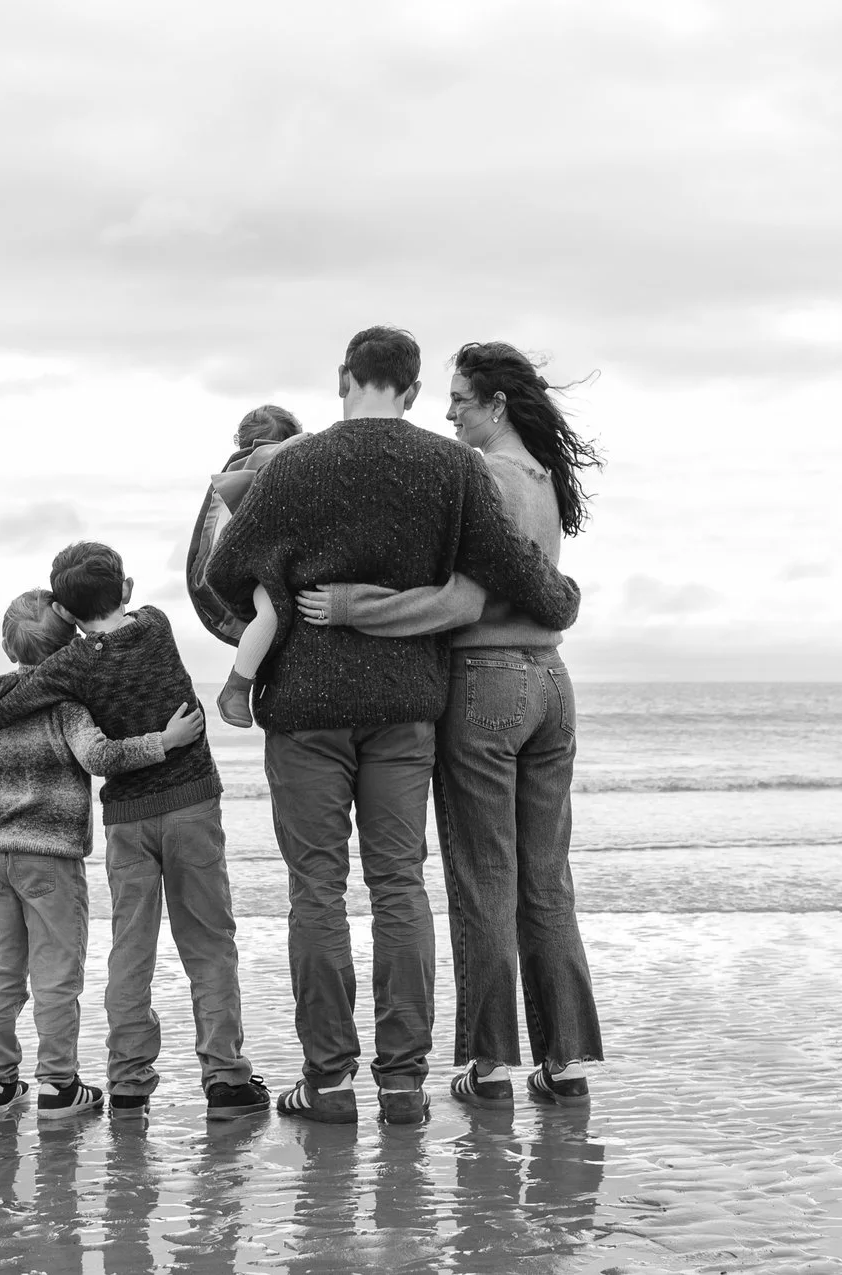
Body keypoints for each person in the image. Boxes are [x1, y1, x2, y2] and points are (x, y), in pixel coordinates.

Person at [204, 325, 583, 1126]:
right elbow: (507, 565)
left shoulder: (298, 463)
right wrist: (558, 604)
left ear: (344, 377)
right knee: (399, 886)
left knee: (317, 890)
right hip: (409, 703)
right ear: (410, 391)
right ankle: (404, 1084)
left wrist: (273, 616)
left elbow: (224, 567)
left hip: (306, 705)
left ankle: (330, 1081)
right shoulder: (450, 464)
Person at [300, 342, 606, 1108]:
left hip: (488, 683)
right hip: (551, 685)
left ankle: (491, 1064)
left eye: (461, 398)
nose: (449, 411)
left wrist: (350, 606)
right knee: (546, 880)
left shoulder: (486, 477)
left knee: (483, 879)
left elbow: (458, 603)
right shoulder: (540, 476)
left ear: (496, 404)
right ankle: (563, 1062)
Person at [0, 543, 267, 1118]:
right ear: (129, 589)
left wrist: (42, 651)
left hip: (126, 822)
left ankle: (129, 1079)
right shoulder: (156, 624)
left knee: (129, 951)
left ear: (66, 608)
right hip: (191, 806)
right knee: (209, 944)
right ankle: (226, 1081)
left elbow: (4, 708)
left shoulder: (74, 667)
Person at [182, 403, 309, 728]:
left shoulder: (237, 469)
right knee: (272, 613)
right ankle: (237, 686)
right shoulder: (267, 463)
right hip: (253, 569)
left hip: (260, 563)